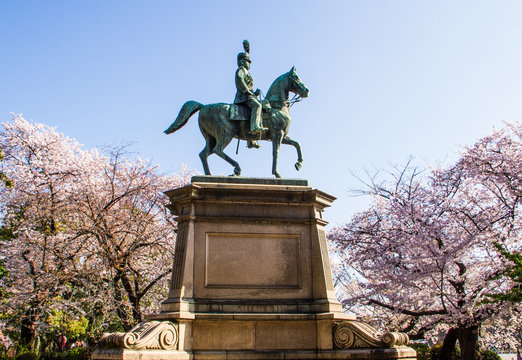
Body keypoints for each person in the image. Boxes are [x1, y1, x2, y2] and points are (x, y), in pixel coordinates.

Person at [234, 40, 267, 137]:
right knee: (257, 106)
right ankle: (255, 127)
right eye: (248, 61)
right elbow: (240, 80)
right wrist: (247, 91)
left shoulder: (246, 71)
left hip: (248, 95)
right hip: (243, 97)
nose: (250, 64)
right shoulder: (241, 70)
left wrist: (254, 93)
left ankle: (251, 141)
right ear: (242, 61)